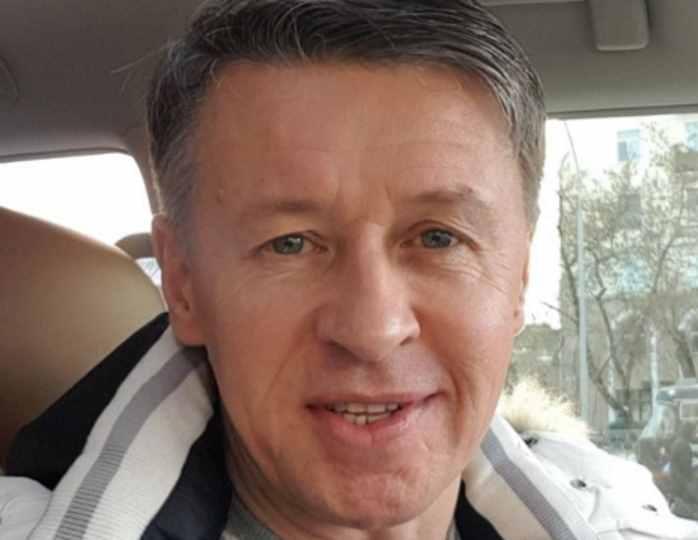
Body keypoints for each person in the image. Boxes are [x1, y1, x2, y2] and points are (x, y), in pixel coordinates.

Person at [2, 1, 698, 539]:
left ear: (518, 278)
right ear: (184, 285)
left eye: (439, 238)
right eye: (290, 244)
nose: (372, 328)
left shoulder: (628, 519)